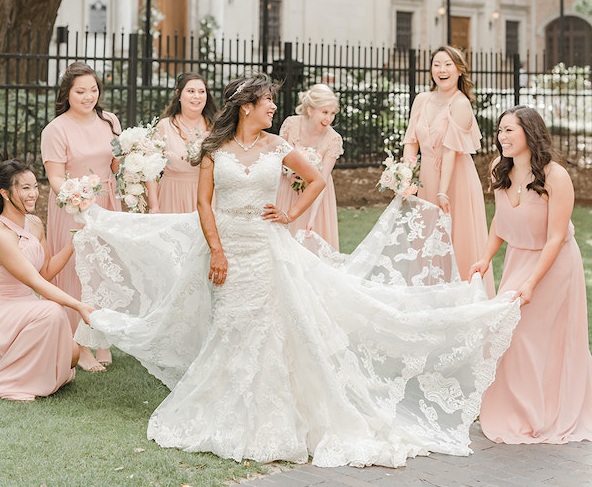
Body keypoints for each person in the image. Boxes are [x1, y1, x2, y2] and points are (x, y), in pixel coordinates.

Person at [72, 74, 521, 469]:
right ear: (247, 106)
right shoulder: (214, 147)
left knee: (269, 325)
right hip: (226, 246)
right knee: (230, 325)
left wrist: (288, 215)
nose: (273, 108)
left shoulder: (278, 145)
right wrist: (216, 251)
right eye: (267, 102)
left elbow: (318, 180)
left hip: (267, 247)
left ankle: (273, 415)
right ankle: (226, 407)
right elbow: (203, 204)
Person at [469, 106, 592, 444]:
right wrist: (484, 257)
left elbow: (556, 237)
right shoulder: (498, 167)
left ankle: (543, 413)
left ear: (530, 133)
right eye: (499, 130)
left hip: (553, 265)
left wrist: (531, 283)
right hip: (517, 258)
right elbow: (500, 219)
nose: (501, 137)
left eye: (509, 130)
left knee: (529, 338)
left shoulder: (556, 177)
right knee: (505, 335)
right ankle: (516, 411)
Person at [0, 160, 94, 401]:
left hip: (25, 309)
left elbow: (45, 271)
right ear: (5, 193)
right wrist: (78, 305)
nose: (33, 193)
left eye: (35, 186)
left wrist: (72, 244)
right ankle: (8, 379)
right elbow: (37, 283)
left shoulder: (34, 223)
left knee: (73, 355)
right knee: (51, 310)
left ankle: (24, 363)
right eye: (25, 188)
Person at [40, 61, 121, 371]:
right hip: (73, 206)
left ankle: (101, 337)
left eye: (94, 90)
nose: (89, 97)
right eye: (81, 91)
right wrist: (78, 199)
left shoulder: (109, 120)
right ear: (67, 93)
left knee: (104, 269)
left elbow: (114, 163)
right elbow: (56, 178)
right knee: (77, 272)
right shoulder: (56, 129)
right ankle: (79, 345)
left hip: (107, 202)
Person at [402, 45, 493, 297]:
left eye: (448, 64)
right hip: (427, 178)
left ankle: (464, 299)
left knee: (457, 238)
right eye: (436, 64)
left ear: (459, 70)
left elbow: (451, 150)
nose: (441, 70)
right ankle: (427, 297)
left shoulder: (461, 103)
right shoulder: (421, 99)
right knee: (426, 238)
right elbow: (411, 141)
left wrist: (443, 192)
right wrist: (405, 176)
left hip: (456, 180)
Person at [276, 83, 343, 249]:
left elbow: (323, 179)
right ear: (310, 110)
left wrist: (312, 218)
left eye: (333, 113)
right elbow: (276, 160)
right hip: (286, 191)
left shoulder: (333, 139)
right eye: (325, 112)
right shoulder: (290, 124)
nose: (329, 118)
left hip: (317, 198)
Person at [146, 73, 219, 213]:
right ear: (178, 94)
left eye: (201, 92)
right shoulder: (164, 126)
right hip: (170, 196)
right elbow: (151, 170)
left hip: (206, 198)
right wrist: (154, 206)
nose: (197, 96)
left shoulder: (215, 128)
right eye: (191, 91)